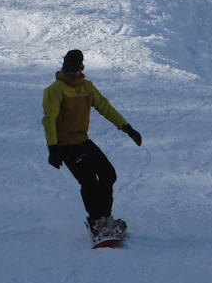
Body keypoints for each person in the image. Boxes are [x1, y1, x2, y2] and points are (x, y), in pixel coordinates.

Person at [42, 48, 142, 240]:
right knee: (88, 180)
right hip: (65, 144)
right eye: (68, 69)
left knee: (108, 174)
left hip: (82, 140)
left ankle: (105, 218)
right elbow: (49, 119)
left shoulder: (87, 87)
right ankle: (96, 222)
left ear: (82, 68)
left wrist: (127, 127)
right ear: (63, 68)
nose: (71, 73)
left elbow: (104, 106)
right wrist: (52, 149)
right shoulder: (54, 90)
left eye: (75, 69)